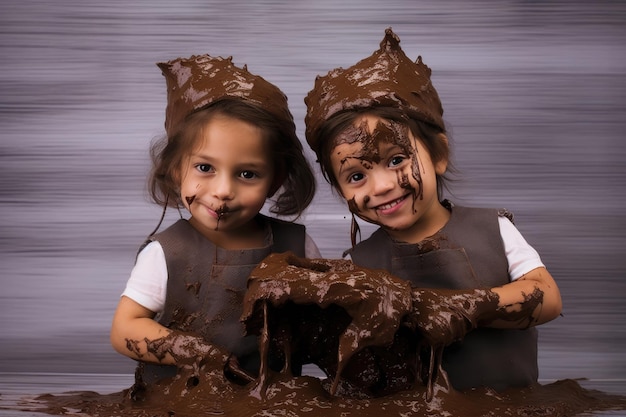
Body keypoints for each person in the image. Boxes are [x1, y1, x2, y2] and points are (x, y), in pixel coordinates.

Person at [303, 28, 562, 394]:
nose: (380, 186)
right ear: (341, 190)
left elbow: (547, 297)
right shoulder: (360, 263)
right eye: (357, 175)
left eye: (396, 159)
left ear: (438, 155)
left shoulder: (493, 229)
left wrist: (460, 308)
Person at [110, 53, 319, 388]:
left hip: (270, 404)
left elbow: (317, 322)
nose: (223, 191)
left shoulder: (297, 247)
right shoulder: (166, 254)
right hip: (177, 402)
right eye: (205, 168)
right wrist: (196, 352)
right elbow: (124, 329)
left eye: (247, 174)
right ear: (177, 168)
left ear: (275, 181)